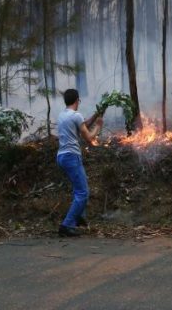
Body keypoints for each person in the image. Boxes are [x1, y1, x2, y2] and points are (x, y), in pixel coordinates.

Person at [56, 89, 103, 237]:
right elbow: (88, 137)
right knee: (83, 193)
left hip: (62, 156)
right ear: (77, 100)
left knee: (78, 189)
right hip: (71, 157)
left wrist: (95, 115)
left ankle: (79, 216)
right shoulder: (76, 116)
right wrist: (99, 125)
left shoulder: (62, 115)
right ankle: (66, 225)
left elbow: (82, 125)